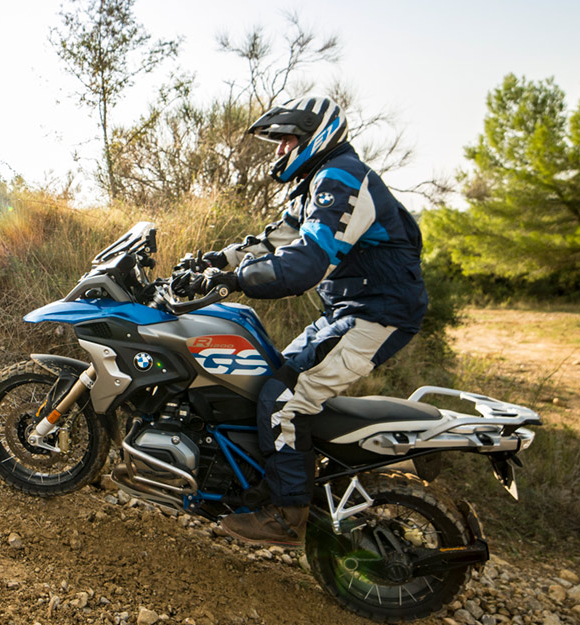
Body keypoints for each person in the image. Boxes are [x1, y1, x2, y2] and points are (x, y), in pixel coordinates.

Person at [180, 97, 428, 546]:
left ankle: (288, 515)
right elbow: (276, 239)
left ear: (316, 135)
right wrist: (214, 260)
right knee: (264, 378)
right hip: (349, 311)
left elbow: (304, 263)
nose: (279, 151)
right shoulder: (320, 182)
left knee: (286, 397)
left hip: (377, 315)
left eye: (287, 140)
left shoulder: (341, 179)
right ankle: (265, 484)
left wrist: (232, 279)